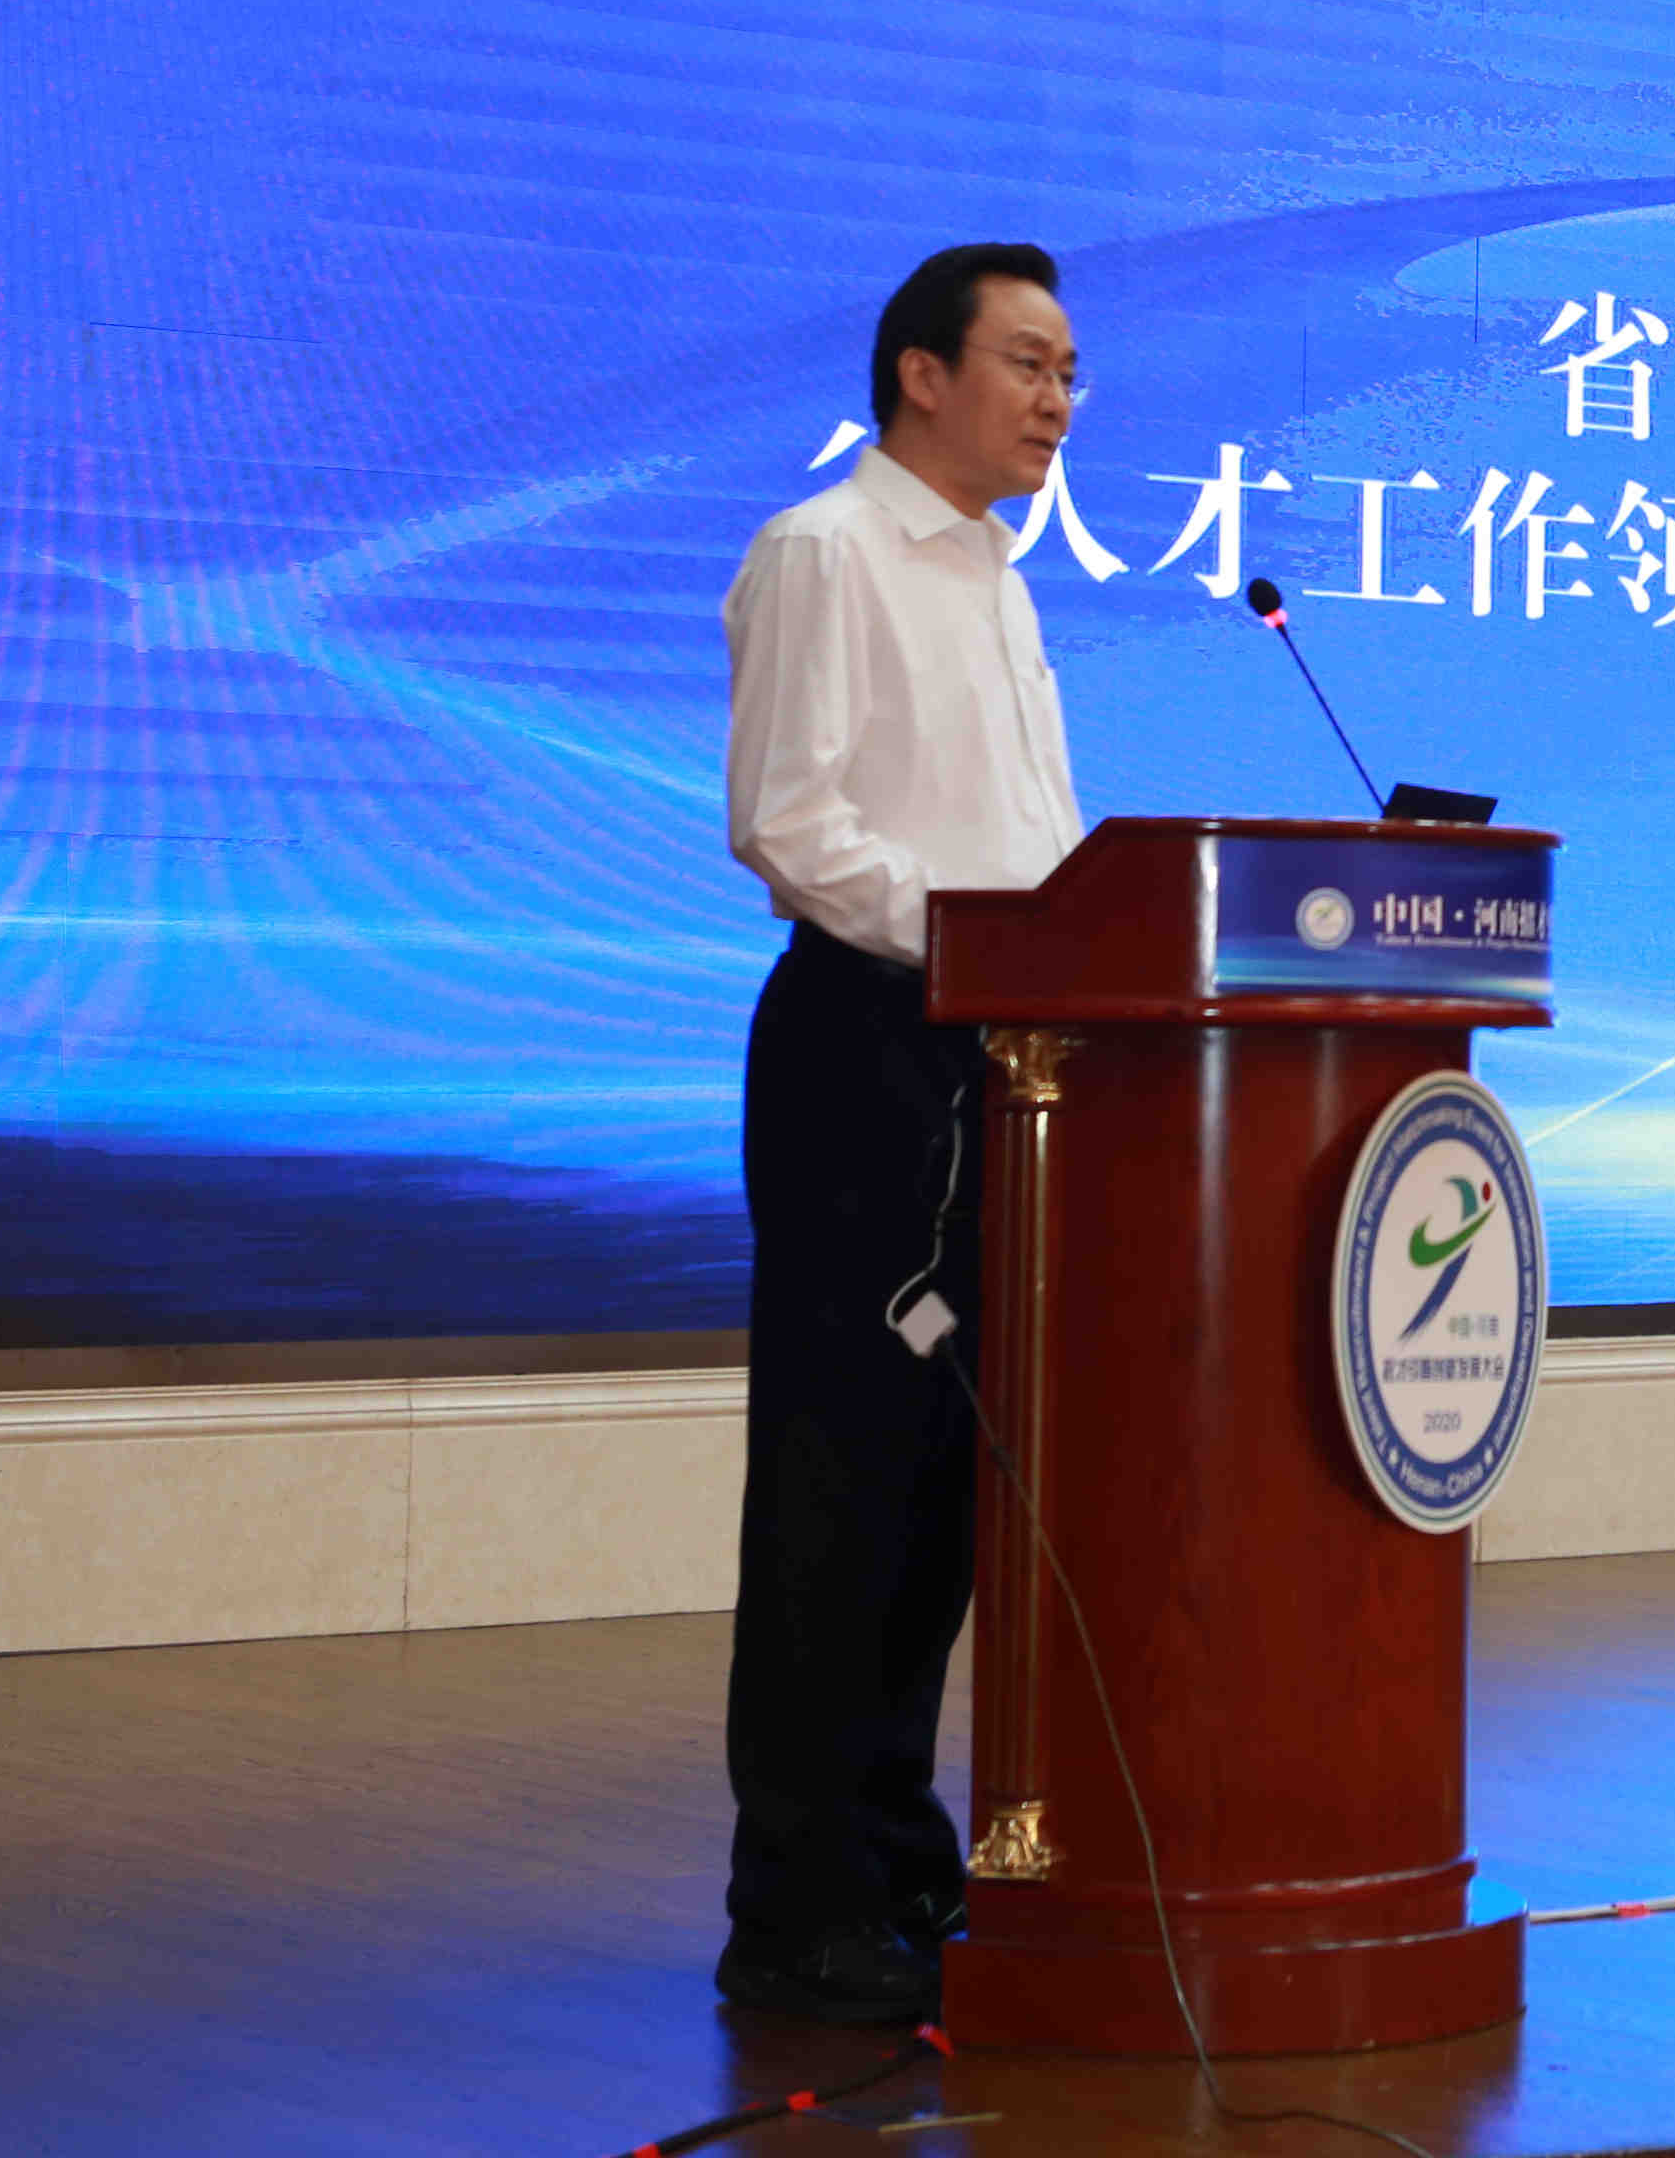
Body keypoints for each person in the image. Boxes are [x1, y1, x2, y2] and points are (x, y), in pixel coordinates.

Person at [711, 241, 1086, 2026]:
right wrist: (991, 949)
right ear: (921, 373)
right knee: (840, 1479)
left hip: (1005, 1061)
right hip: (869, 1050)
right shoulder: (826, 551)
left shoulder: (1000, 582)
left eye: (1069, 372)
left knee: (943, 1487)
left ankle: (898, 1857)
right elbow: (791, 826)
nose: (1057, 401)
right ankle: (794, 1906)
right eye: (1026, 362)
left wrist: (1077, 956)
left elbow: (1035, 836)